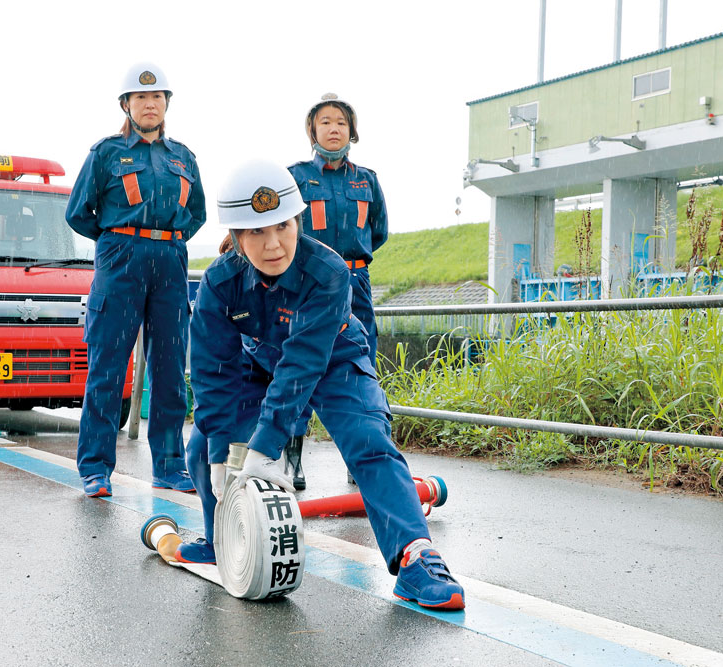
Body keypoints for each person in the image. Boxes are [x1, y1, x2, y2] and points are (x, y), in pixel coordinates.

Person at [175, 160, 465, 610]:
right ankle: (222, 538)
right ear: (235, 236)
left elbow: (303, 365)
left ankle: (415, 556)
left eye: (283, 226)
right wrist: (220, 452)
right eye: (256, 233)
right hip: (260, 359)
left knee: (369, 439)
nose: (274, 245)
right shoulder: (219, 282)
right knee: (200, 447)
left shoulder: (328, 270)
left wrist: (265, 446)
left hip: (333, 356)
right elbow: (214, 372)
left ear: (299, 219)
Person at [65, 63, 206, 497]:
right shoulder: (105, 153)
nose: (150, 104)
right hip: (119, 262)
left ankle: (168, 466)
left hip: (170, 263)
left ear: (166, 105)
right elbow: (77, 212)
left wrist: (163, 242)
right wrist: (117, 239)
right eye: (142, 98)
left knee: (168, 371)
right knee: (108, 369)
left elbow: (196, 215)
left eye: (158, 97)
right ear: (126, 104)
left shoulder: (183, 157)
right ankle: (95, 468)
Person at [283, 93, 389, 489]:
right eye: (325, 121)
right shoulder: (295, 178)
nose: (333, 128)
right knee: (301, 363)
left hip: (355, 282)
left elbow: (377, 233)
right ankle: (292, 456)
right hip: (308, 282)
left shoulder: (367, 181)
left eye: (341, 122)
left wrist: (348, 265)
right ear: (312, 130)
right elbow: (283, 229)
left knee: (361, 365)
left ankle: (361, 456)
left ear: (352, 131)